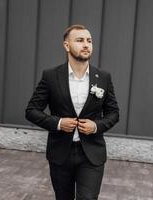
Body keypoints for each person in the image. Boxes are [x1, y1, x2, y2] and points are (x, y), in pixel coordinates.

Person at [25, 24, 119, 200]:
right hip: (61, 153)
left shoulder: (103, 77)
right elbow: (31, 110)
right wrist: (58, 123)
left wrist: (96, 126)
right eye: (80, 40)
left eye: (89, 41)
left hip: (91, 155)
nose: (86, 44)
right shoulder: (51, 76)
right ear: (67, 46)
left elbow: (114, 113)